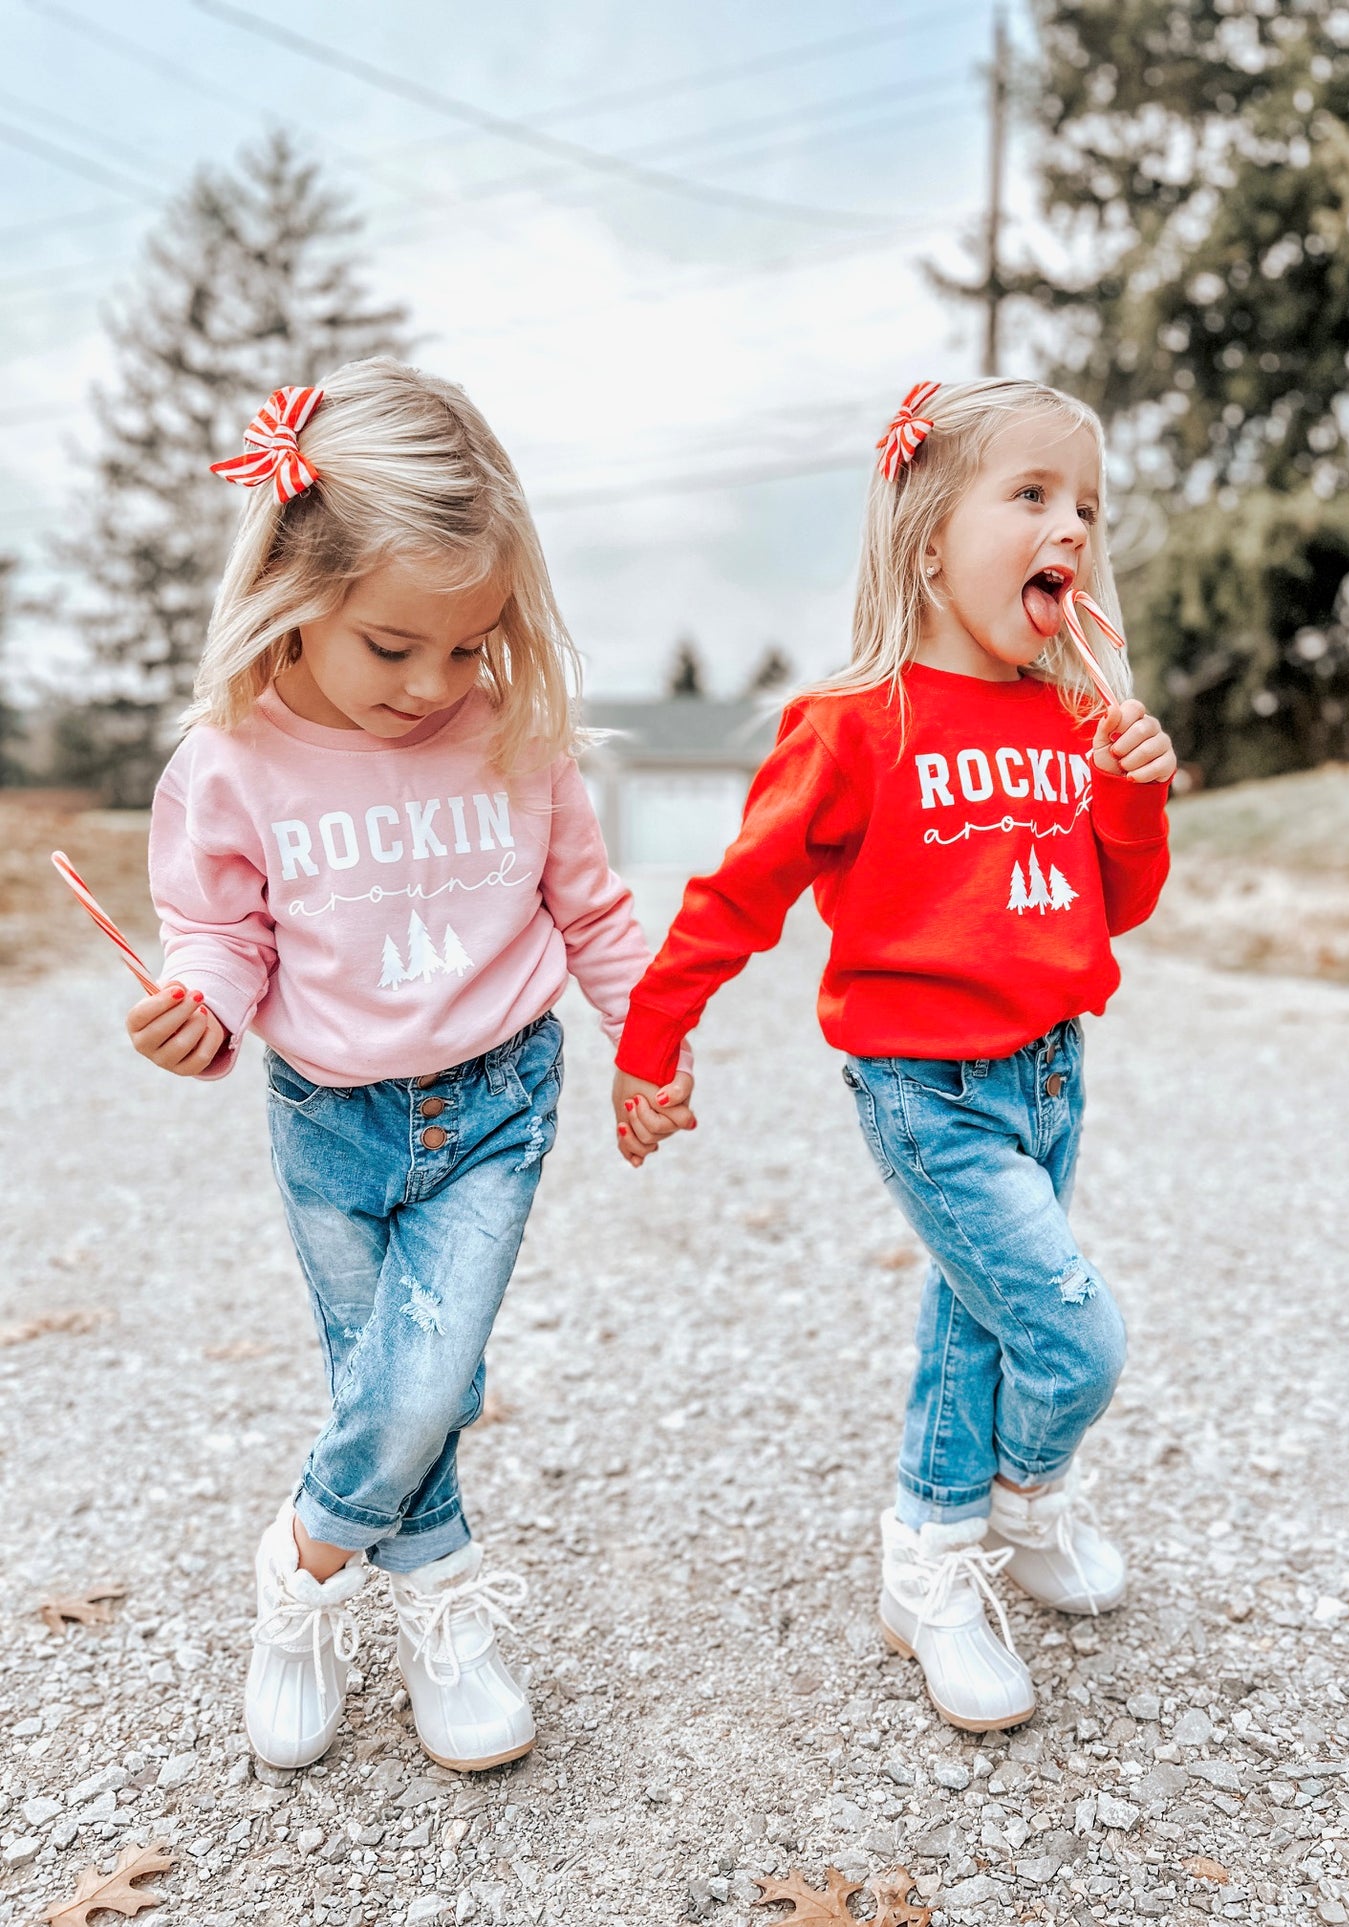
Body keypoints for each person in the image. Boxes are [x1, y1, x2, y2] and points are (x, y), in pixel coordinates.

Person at [126, 361, 692, 1771]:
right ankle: (440, 1597)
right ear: (291, 592)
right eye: (394, 647)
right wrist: (195, 1002)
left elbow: (593, 913)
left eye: (472, 644)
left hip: (498, 1101)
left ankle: (304, 1566)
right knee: (383, 1375)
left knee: (430, 1371)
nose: (437, 683)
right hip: (329, 1117)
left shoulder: (515, 736)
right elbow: (217, 935)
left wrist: (649, 1039)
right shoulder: (231, 763)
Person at [613, 378, 1174, 1730]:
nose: (1071, 530)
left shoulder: (1068, 718)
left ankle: (946, 1547)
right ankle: (999, 1511)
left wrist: (1133, 800)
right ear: (929, 537)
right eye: (1030, 496)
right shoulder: (856, 723)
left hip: (1049, 1068)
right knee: (1073, 1335)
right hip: (927, 1087)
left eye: (1085, 506)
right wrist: (652, 1038)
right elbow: (733, 896)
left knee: (984, 1305)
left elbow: (1120, 906)